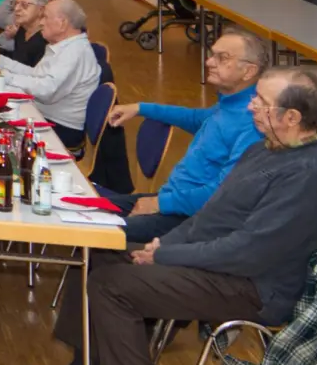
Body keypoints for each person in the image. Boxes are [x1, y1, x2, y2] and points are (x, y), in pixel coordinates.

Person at [27, 66, 317, 365]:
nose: (251, 105)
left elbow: (249, 251)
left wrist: (168, 254)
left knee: (112, 286)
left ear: (292, 118)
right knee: (100, 248)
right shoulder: (264, 148)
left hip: (255, 289)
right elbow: (212, 216)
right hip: (220, 266)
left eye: (261, 101)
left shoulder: (306, 175)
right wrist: (160, 246)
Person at [104, 31, 268, 242]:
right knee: (86, 211)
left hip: (188, 218)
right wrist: (140, 108)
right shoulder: (229, 106)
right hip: (171, 201)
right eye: (211, 55)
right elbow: (193, 118)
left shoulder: (252, 123)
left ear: (248, 71)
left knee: (98, 231)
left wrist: (159, 204)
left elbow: (223, 194)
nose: (209, 62)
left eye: (222, 57)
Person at [0, 0, 100, 145]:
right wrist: (0, 61)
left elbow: (46, 90)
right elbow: (35, 74)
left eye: (45, 17)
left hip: (60, 128)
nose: (41, 23)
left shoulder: (74, 52)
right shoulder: (64, 45)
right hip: (44, 114)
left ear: (62, 23)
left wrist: (3, 76)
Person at [0, 0, 51, 68]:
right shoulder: (23, 29)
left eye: (24, 5)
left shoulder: (45, 38)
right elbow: (18, 59)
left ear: (41, 9)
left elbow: (33, 73)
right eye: (15, 3)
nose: (16, 8)